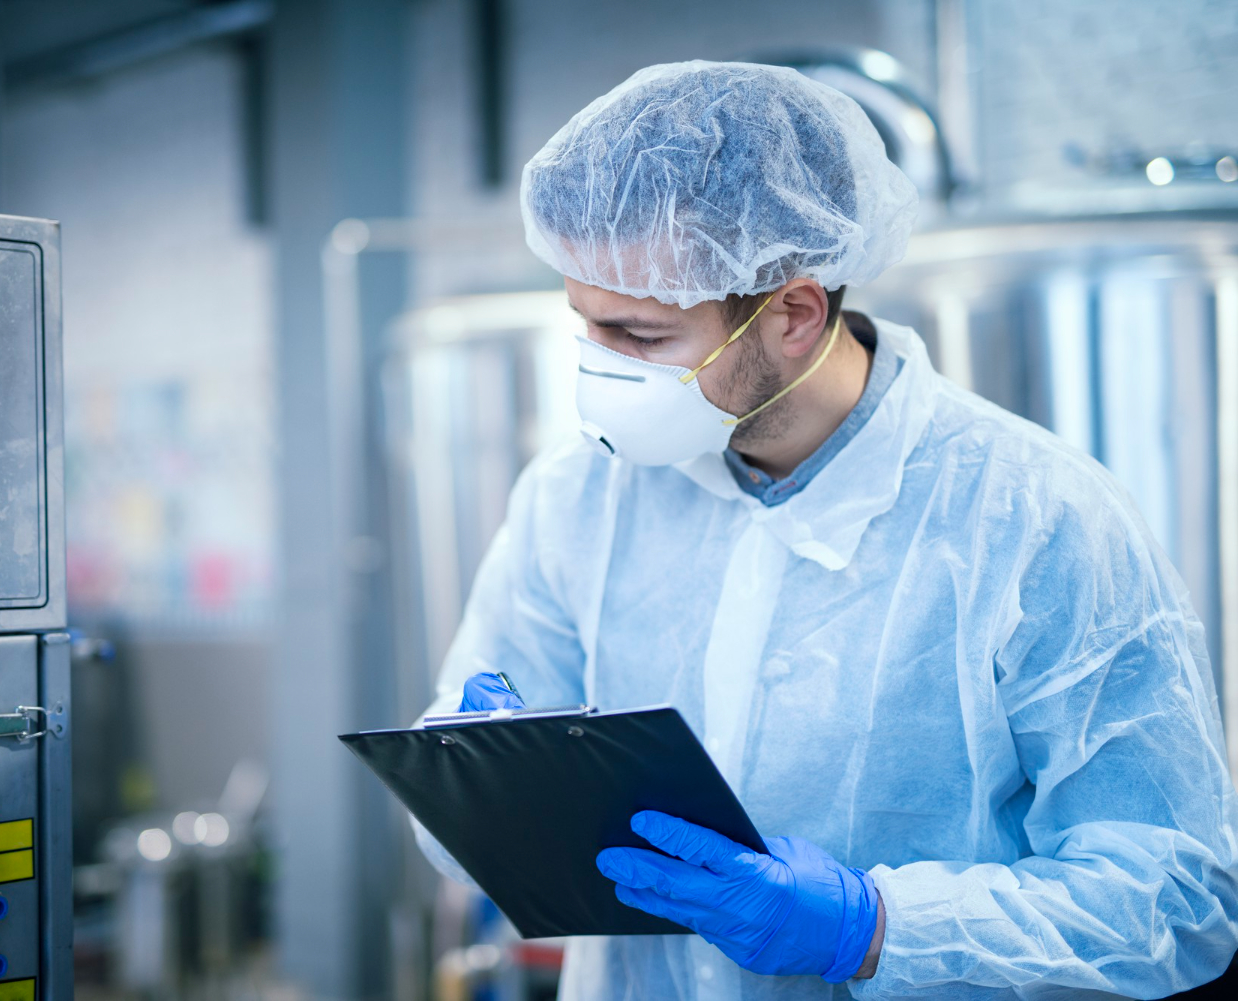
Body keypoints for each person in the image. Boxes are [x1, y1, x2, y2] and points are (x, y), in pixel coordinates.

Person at [412, 61, 1238, 999]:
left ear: (795, 314)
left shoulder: (1035, 518)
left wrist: (872, 929)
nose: (598, 373)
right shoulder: (578, 495)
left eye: (640, 338)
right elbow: (460, 829)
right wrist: (471, 778)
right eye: (584, 325)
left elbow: (1173, 899)